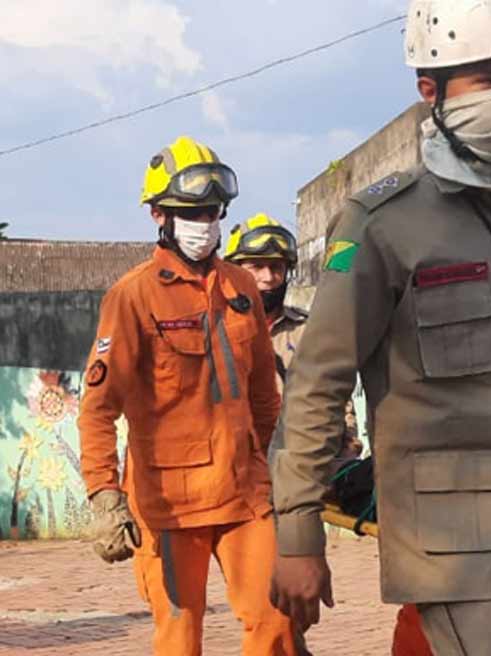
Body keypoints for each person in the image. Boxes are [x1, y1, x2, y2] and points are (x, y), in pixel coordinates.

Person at [268, 1, 491, 654]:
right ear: (431, 90)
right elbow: (318, 381)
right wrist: (297, 534)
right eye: (489, 79)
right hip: (455, 545)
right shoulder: (383, 226)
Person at [77, 136, 298, 655]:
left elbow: (265, 395)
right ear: (159, 215)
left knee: (278, 622)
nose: (206, 221)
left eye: (213, 210)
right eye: (191, 211)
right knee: (180, 636)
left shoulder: (241, 285)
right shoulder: (132, 297)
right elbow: (98, 409)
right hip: (170, 508)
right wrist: (105, 496)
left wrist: (258, 461)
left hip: (245, 498)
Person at [222, 213, 360, 456]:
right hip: (236, 465)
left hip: (299, 466)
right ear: (234, 271)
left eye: (276, 267)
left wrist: (347, 449)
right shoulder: (214, 331)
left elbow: (335, 396)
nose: (268, 277)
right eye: (256, 267)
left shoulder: (308, 330)